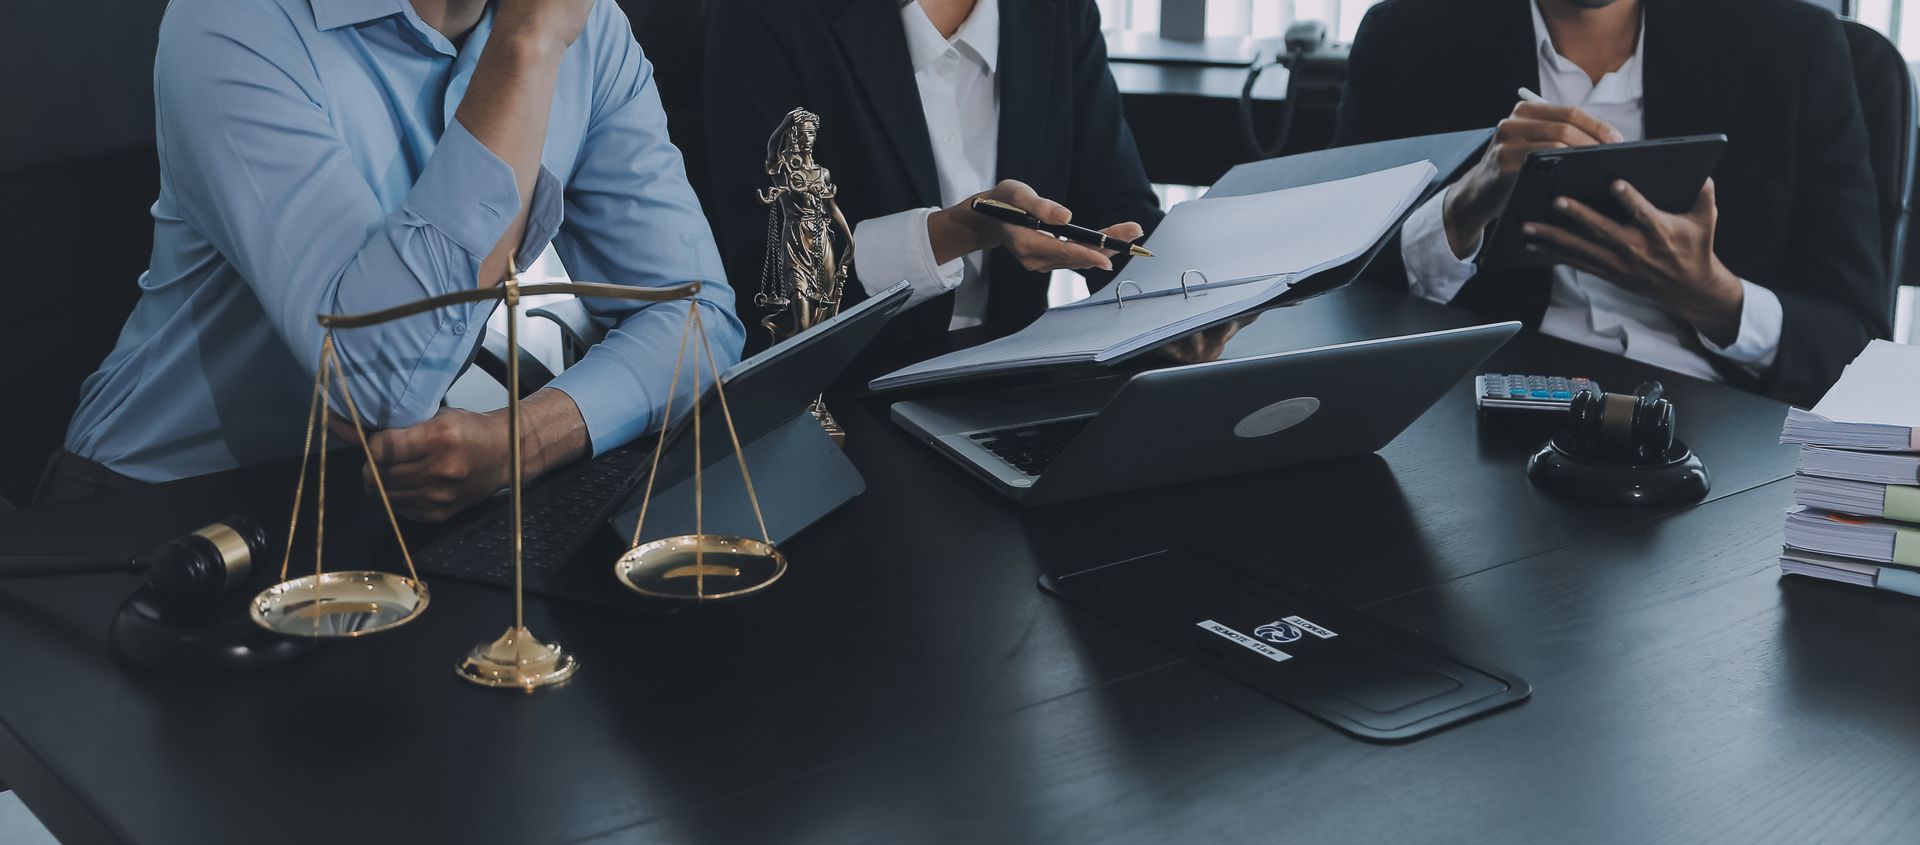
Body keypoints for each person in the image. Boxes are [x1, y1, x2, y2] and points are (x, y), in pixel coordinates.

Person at [46, 0, 744, 522]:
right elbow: (380, 386)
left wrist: (521, 441)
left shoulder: (585, 26)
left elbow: (698, 316)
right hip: (155, 523)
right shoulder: (232, 24)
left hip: (394, 519)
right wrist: (525, 49)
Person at [1335, 0, 1890, 406]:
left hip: (1715, 428)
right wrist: (1462, 210)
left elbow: (1853, 338)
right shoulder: (1407, 37)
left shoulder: (1793, 45)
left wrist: (1714, 298)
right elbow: (1340, 294)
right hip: (1483, 407)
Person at [704, 0, 1246, 376]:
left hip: (1017, 379)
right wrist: (959, 231)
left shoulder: (1053, 11)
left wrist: (1179, 309)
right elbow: (768, 269)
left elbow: (1116, 208)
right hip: (842, 400)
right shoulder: (767, 15)